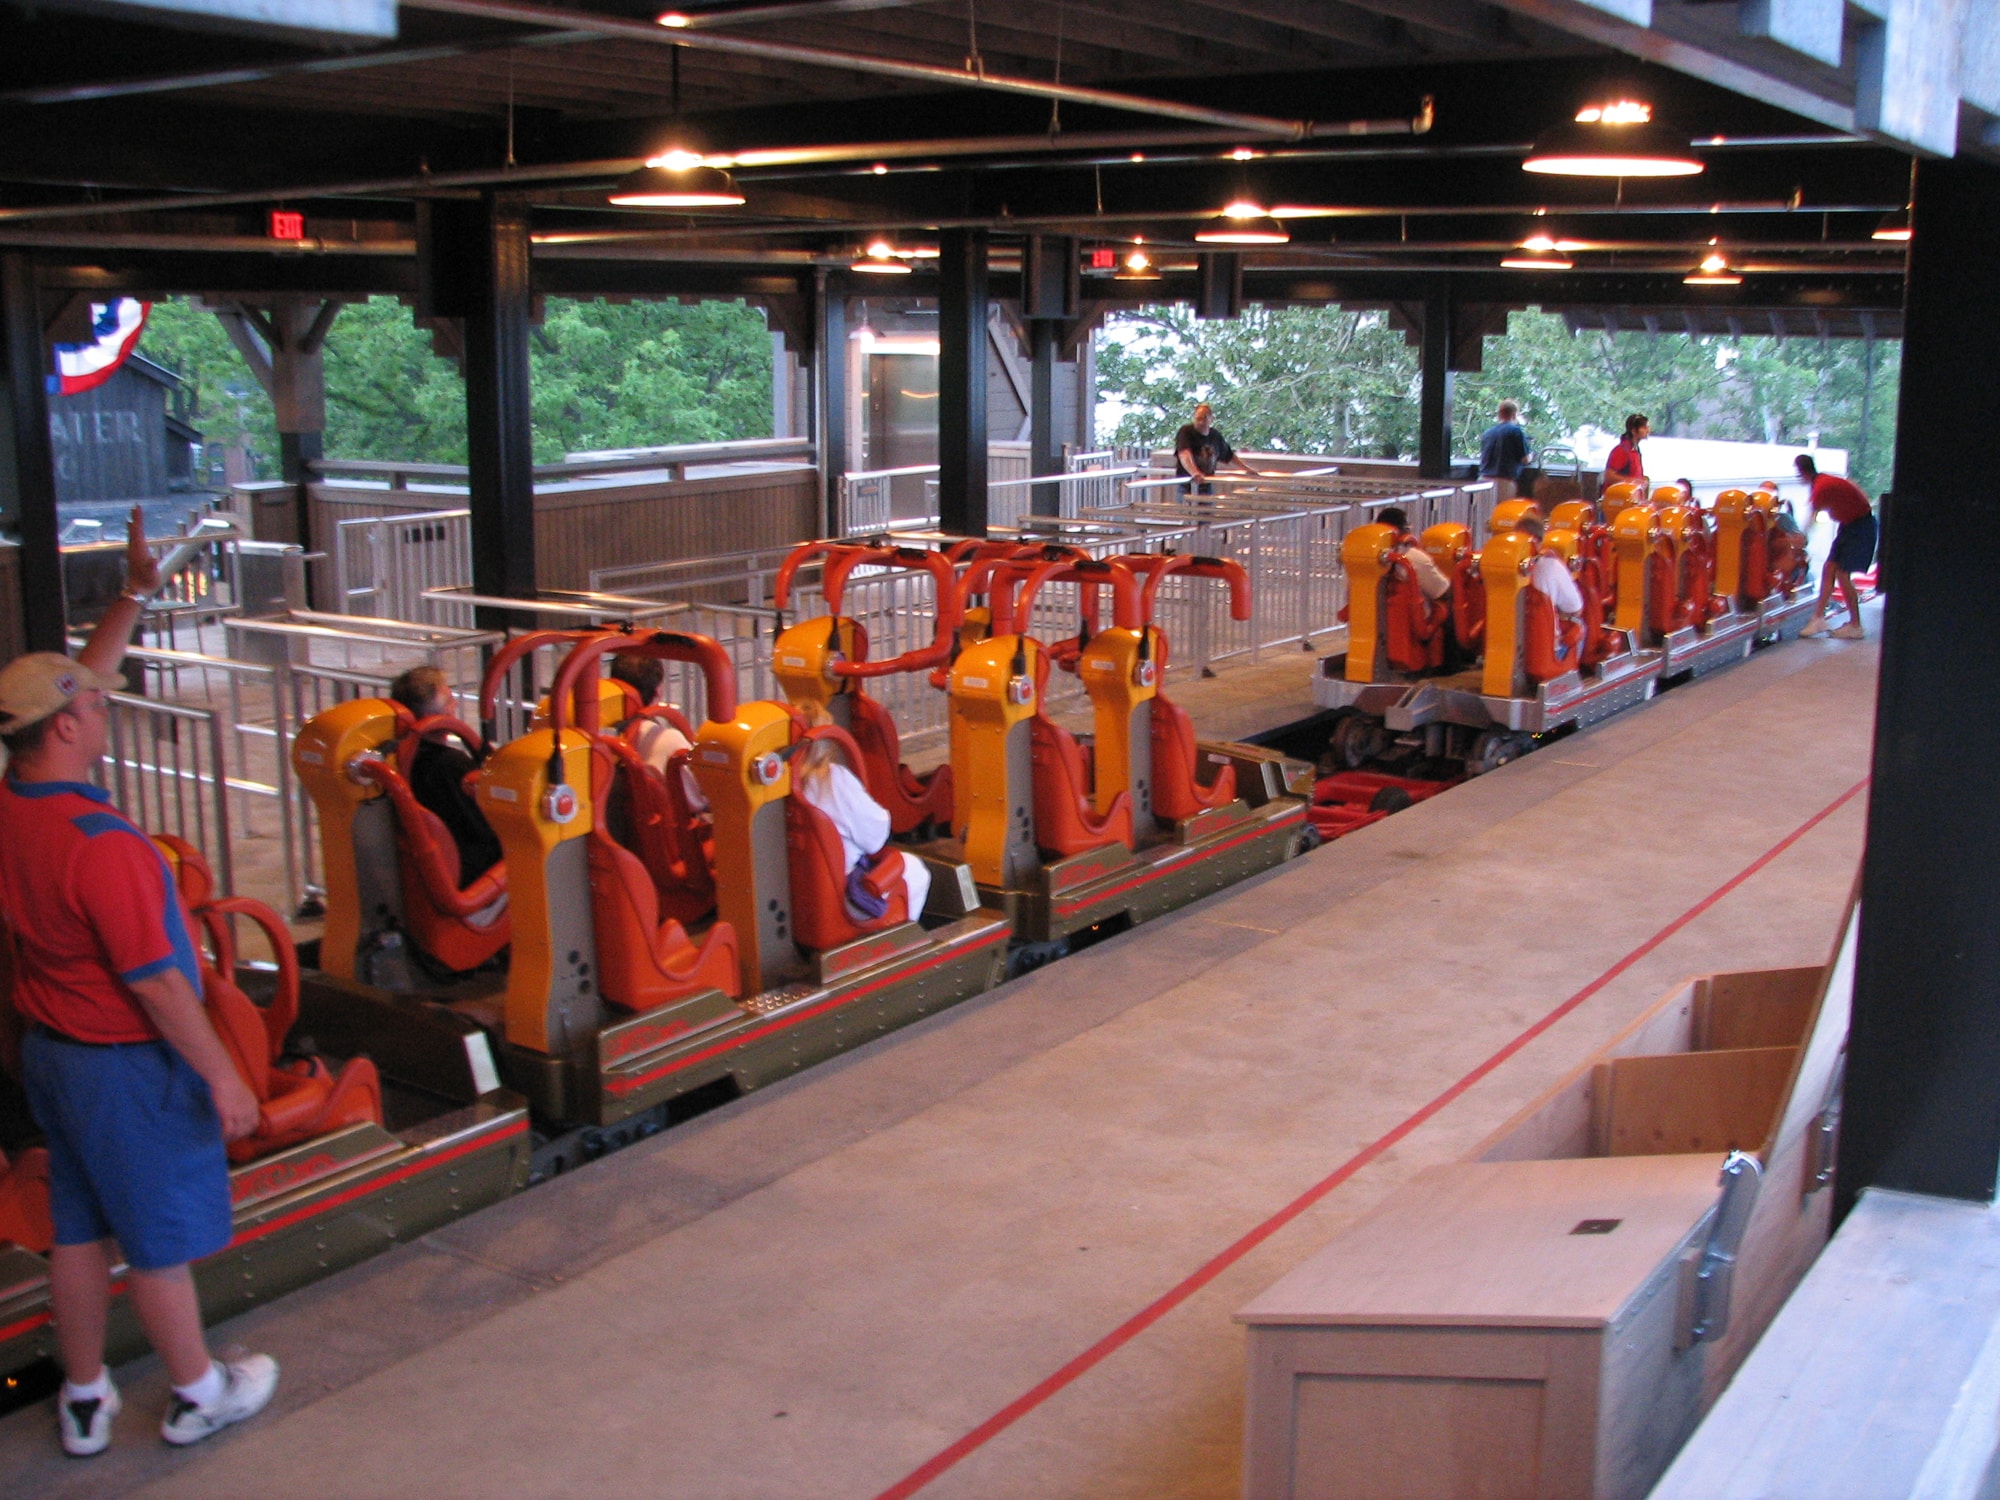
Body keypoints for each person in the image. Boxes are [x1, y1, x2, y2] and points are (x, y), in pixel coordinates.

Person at [0, 529, 280, 1455]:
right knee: (156, 1241)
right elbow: (159, 985)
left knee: (78, 1229)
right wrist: (224, 1078)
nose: (104, 705)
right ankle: (200, 1392)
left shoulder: (14, 809)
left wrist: (133, 594)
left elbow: (76, 679)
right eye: (93, 704)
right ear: (65, 729)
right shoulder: (108, 849)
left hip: (53, 1058)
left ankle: (86, 1398)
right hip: (126, 1068)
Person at [793, 705, 929, 922]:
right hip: (842, 894)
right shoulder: (832, 780)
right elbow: (875, 837)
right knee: (914, 869)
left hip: (796, 893)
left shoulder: (777, 790)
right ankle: (899, 935)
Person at [388, 665, 502, 886]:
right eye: (449, 701)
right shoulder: (450, 765)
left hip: (431, 869)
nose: (455, 704)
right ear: (432, 717)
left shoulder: (399, 759)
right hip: (471, 869)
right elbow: (486, 829)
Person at [607, 653, 708, 812]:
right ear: (658, 691)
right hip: (673, 823)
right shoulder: (668, 739)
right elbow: (697, 801)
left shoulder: (599, 734)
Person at [1795, 455, 1876, 640]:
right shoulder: (1823, 481)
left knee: (1842, 574)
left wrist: (1802, 538)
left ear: (1802, 472)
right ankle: (1818, 619)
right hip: (1849, 526)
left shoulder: (1821, 487)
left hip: (1860, 527)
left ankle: (1855, 625)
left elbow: (1812, 517)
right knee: (1829, 567)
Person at [1172, 403, 1254, 496]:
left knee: (1208, 504)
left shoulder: (1215, 436)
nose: (1201, 422)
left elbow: (1229, 456)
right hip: (1188, 485)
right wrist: (1195, 473)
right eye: (1198, 419)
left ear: (1211, 419)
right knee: (1188, 504)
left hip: (1207, 485)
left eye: (1204, 419)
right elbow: (1184, 454)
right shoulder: (1186, 432)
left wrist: (1246, 469)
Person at [1513, 515, 1584, 620]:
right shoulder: (1553, 566)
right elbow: (1575, 609)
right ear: (1539, 541)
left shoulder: (1501, 568)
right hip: (1543, 629)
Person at [1377, 507, 1450, 604]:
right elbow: (1442, 592)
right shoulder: (1414, 558)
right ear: (1404, 529)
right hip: (1408, 613)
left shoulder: (1364, 557)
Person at [1478, 401, 1533, 492]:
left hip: (1483, 481)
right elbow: (1525, 459)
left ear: (1499, 414)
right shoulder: (1515, 431)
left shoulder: (1487, 433)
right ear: (1514, 415)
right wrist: (1531, 455)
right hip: (1503, 482)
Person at [1603, 414, 1649, 490]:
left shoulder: (1635, 450)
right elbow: (1609, 476)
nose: (1648, 430)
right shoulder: (1621, 450)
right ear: (1634, 431)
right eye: (1644, 428)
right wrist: (1632, 481)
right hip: (1620, 495)